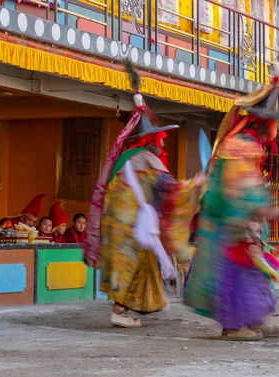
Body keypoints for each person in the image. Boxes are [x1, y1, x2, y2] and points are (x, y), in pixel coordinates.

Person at [183, 60, 279, 341]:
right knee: (237, 270)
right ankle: (235, 325)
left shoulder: (250, 144)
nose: (277, 127)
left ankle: (251, 319)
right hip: (230, 220)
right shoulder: (241, 145)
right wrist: (268, 210)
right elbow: (239, 189)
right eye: (276, 121)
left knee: (252, 272)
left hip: (239, 219)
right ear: (266, 122)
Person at [88, 61, 203, 328]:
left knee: (137, 266)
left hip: (120, 227)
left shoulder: (124, 161)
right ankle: (121, 310)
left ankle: (126, 309)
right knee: (137, 265)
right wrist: (195, 185)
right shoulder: (148, 160)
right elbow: (170, 192)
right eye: (160, 137)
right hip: (134, 228)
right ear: (153, 139)